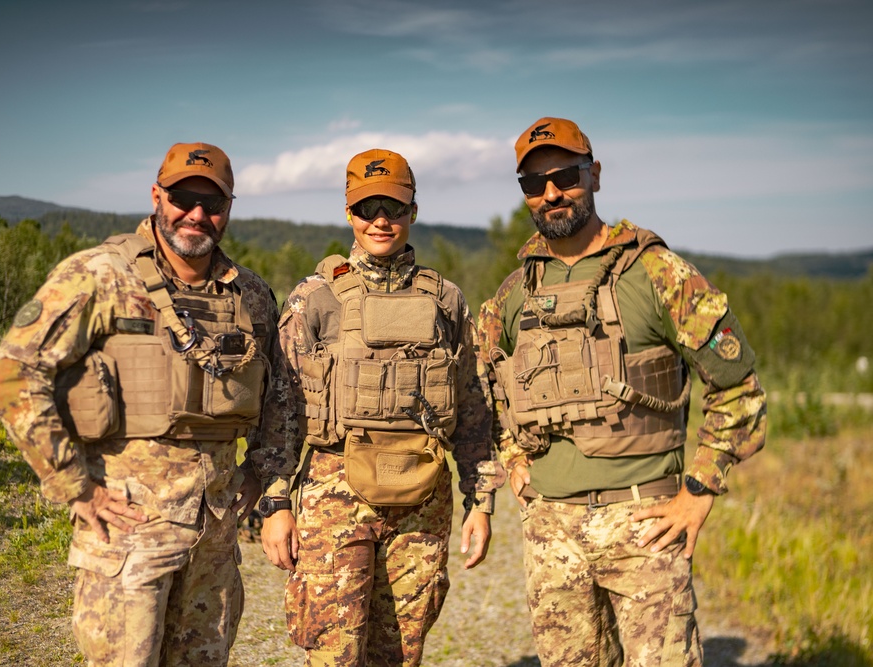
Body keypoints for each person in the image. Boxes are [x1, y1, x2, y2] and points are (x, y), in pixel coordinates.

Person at [0, 142, 292, 666]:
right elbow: (15, 372)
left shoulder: (251, 296)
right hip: (129, 534)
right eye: (183, 198)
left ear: (229, 210)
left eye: (212, 203)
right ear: (157, 195)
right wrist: (73, 486)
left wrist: (263, 473)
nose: (197, 214)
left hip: (213, 543)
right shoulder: (101, 276)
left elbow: (280, 396)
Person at [477, 117, 767, 665]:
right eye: (533, 184)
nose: (551, 193)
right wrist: (513, 456)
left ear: (596, 175)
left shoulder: (657, 273)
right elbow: (485, 384)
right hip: (551, 536)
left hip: (644, 528)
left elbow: (739, 389)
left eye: (566, 175)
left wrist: (699, 492)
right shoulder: (517, 292)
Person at [256, 148, 504, 666]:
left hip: (422, 499)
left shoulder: (447, 301)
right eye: (368, 208)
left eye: (393, 206)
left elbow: (473, 409)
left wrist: (481, 501)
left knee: (400, 655)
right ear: (349, 213)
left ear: (413, 210)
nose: (381, 220)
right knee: (334, 653)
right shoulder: (314, 298)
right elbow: (280, 412)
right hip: (334, 496)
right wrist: (276, 503)